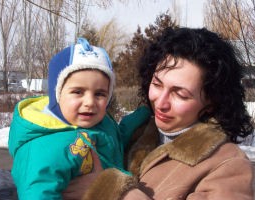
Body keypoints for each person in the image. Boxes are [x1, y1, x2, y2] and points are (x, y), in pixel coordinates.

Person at [66, 28, 255, 200]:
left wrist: (115, 191)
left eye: (180, 94)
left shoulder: (227, 164)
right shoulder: (131, 135)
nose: (161, 102)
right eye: (157, 84)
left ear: (211, 102)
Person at [8, 38, 151, 199]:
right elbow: (36, 193)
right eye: (78, 92)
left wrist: (144, 113)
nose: (90, 102)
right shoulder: (44, 147)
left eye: (100, 94)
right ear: (57, 94)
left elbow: (115, 137)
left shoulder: (97, 123)